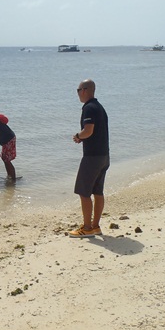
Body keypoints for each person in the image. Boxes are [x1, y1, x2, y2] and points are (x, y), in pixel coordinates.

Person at [69, 79, 109, 238]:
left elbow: (89, 130)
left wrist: (78, 136)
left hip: (92, 157)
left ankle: (87, 228)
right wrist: (83, 136)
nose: (77, 93)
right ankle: (95, 226)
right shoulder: (99, 107)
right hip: (104, 155)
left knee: (83, 191)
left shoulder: (89, 108)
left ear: (85, 90)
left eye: (78, 90)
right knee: (97, 191)